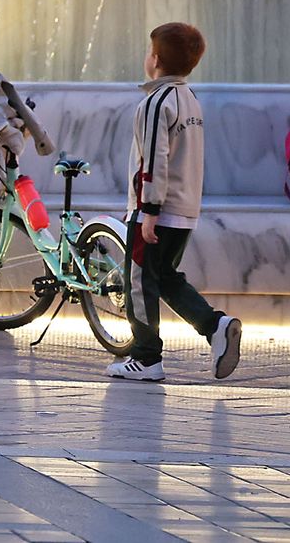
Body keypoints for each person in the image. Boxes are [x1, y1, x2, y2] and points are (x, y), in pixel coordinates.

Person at [106, 22, 242, 383]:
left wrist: (148, 210)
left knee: (137, 281)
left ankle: (146, 356)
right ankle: (215, 326)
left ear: (154, 59)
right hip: (183, 210)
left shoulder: (156, 102)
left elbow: (154, 158)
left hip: (156, 208)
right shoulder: (190, 99)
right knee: (164, 276)